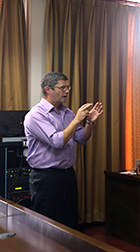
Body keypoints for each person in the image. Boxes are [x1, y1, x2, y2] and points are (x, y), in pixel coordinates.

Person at [24, 72, 104, 229]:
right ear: (48, 89)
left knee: (69, 223)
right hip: (46, 178)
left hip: (67, 176)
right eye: (63, 88)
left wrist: (90, 123)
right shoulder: (36, 115)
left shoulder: (67, 113)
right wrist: (77, 120)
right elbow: (57, 141)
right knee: (47, 226)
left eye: (68, 87)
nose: (67, 91)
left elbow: (81, 138)